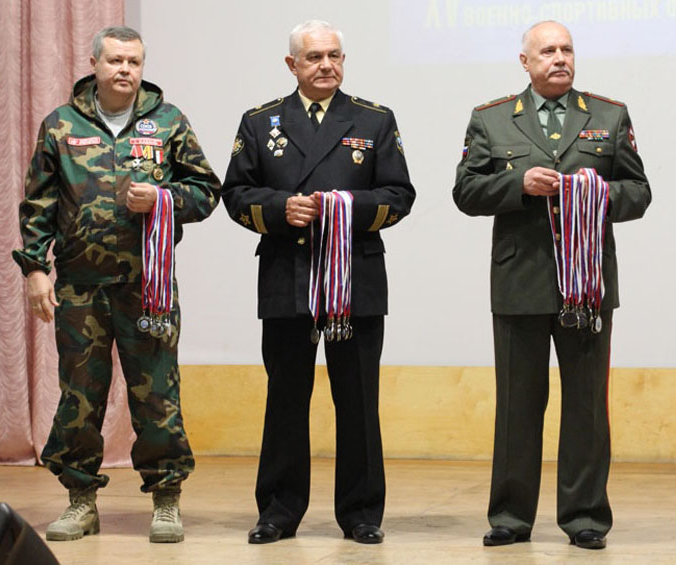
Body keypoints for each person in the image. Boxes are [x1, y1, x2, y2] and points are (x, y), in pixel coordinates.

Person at [13, 26, 221, 543]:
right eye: (115, 61)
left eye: (133, 61)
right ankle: (81, 500)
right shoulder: (60, 125)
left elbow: (206, 191)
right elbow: (38, 204)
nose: (125, 70)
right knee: (79, 396)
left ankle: (166, 499)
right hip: (80, 288)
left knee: (157, 395)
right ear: (95, 64)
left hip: (147, 286)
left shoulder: (168, 122)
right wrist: (35, 269)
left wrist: (165, 198)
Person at [453, 21, 650, 550]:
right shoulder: (492, 118)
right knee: (517, 405)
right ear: (526, 62)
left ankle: (585, 517)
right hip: (520, 281)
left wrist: (594, 193)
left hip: (586, 285)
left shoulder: (609, 115)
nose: (559, 58)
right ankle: (510, 517)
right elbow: (466, 192)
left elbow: (639, 192)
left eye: (567, 49)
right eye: (547, 51)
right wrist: (517, 183)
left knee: (586, 406)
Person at [222, 19, 415, 545]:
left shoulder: (374, 119)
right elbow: (235, 195)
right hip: (288, 276)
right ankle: (278, 510)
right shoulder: (260, 122)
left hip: (355, 279)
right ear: (292, 65)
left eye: (334, 56)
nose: (326, 65)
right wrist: (281, 209)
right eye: (314, 57)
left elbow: (399, 195)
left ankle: (361, 512)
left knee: (358, 400)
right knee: (286, 398)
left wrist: (346, 207)